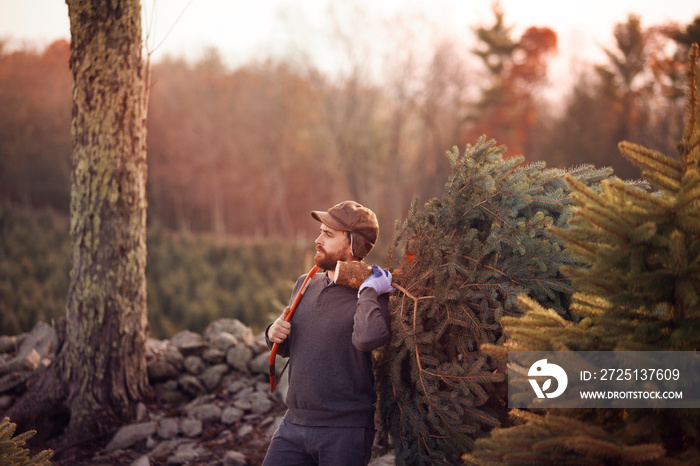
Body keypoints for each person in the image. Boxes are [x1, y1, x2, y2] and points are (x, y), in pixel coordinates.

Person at [262, 200, 393, 466]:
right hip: (293, 424)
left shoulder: (375, 291)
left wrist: (368, 290)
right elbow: (291, 345)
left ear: (353, 243)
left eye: (328, 234)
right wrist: (273, 334)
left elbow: (368, 338)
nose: (317, 239)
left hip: (345, 430)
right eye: (320, 231)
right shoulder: (305, 282)